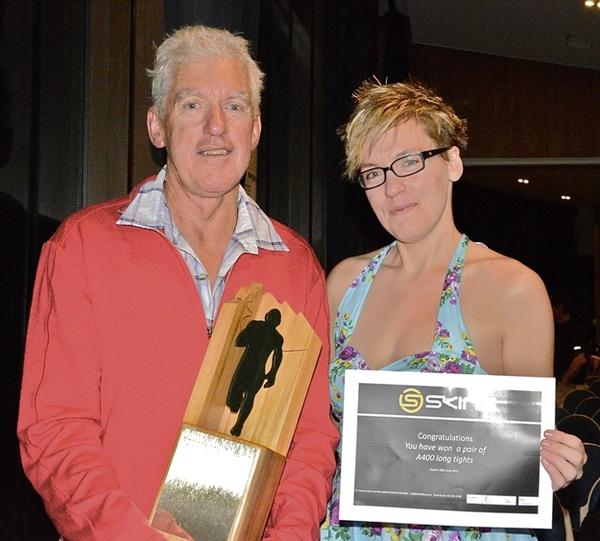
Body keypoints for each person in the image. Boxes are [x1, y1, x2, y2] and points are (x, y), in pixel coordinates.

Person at [18, 25, 338, 541]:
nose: (216, 126)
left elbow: (310, 439)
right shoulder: (82, 248)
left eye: (234, 107)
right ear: (157, 126)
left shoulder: (296, 266)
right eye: (192, 105)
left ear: (255, 129)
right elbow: (55, 429)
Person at [320, 80, 587, 540]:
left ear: (453, 161)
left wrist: (555, 461)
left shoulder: (512, 290)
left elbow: (524, 451)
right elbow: (318, 433)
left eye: (408, 161)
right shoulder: (345, 283)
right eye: (373, 172)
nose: (392, 188)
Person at [227, 308, 284, 436]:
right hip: (248, 366)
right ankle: (235, 408)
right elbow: (239, 341)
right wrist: (272, 373)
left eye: (275, 318)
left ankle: (239, 424)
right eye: (272, 317)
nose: (273, 320)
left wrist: (273, 373)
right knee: (235, 399)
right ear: (267, 316)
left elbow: (278, 355)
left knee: (249, 396)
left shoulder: (276, 337)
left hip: (257, 369)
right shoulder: (256, 326)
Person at [551, 294, 591, 385]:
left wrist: (565, 380)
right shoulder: (553, 329)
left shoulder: (575, 329)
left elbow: (580, 359)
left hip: (572, 385)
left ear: (560, 308)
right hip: (557, 382)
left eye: (552, 307)